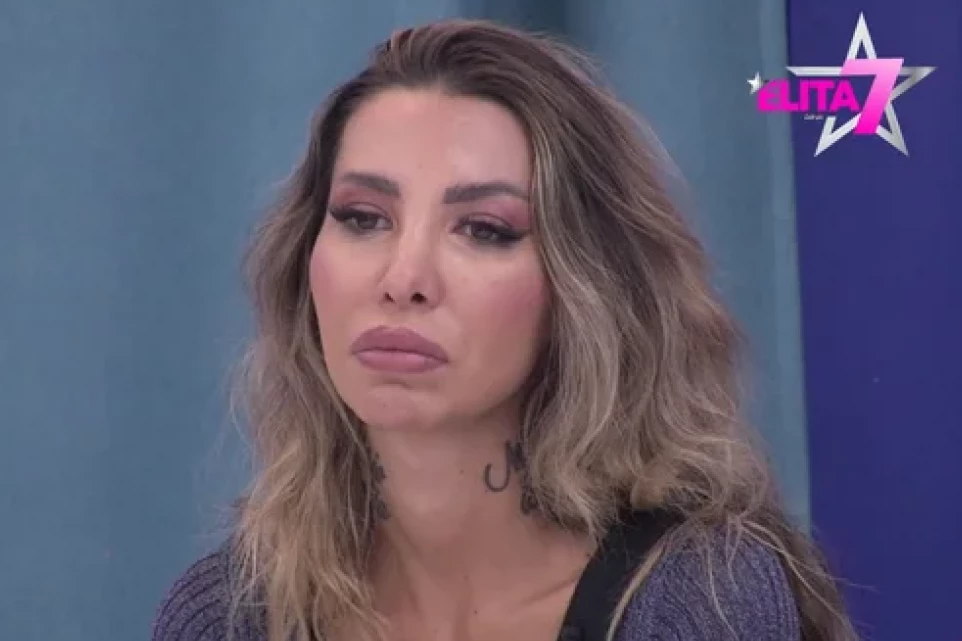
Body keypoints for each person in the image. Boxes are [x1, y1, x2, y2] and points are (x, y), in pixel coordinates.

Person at [152, 18, 857, 641]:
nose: (403, 277)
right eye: (363, 218)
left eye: (483, 229)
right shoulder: (231, 614)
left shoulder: (695, 600)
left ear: (584, 288)